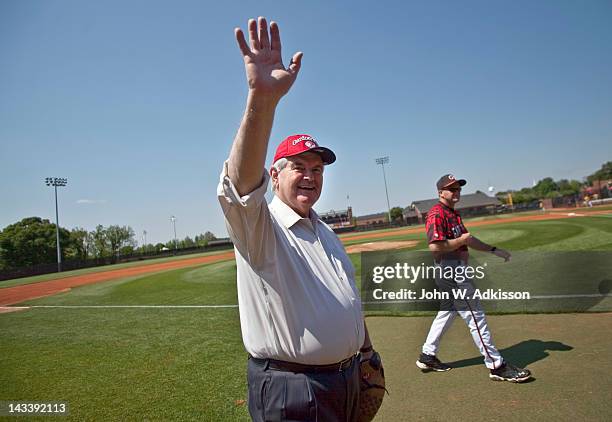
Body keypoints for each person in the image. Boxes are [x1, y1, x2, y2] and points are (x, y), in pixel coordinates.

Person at [217, 17, 378, 421]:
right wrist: (263, 99)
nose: (310, 175)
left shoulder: (323, 230)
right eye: (298, 166)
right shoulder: (261, 230)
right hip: (294, 390)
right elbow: (239, 186)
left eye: (318, 169)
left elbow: (348, 303)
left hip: (345, 379)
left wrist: (366, 351)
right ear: (274, 175)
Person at [415, 174, 532, 383]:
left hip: (453, 269)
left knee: (448, 311)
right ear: (440, 192)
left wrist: (494, 250)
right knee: (475, 316)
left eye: (458, 188)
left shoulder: (452, 213)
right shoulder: (437, 213)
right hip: (451, 271)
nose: (456, 191)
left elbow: (469, 239)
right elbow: (435, 246)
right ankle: (496, 366)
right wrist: (460, 241)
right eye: (451, 189)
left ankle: (427, 355)